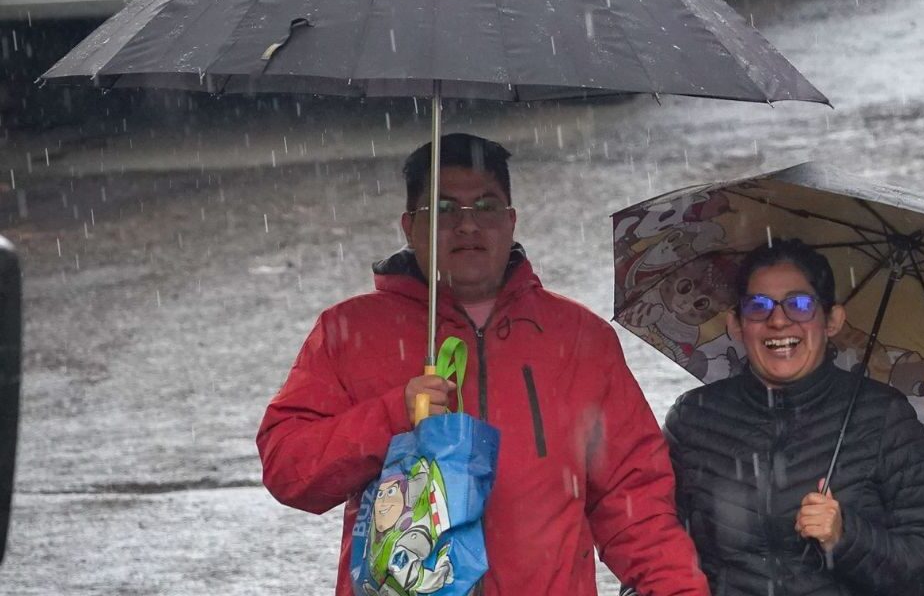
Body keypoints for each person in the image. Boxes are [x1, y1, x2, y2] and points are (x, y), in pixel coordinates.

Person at [257, 133, 708, 596]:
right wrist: (391, 416)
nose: (467, 225)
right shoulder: (348, 331)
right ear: (410, 226)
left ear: (511, 221)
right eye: (445, 209)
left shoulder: (579, 338)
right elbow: (290, 471)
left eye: (486, 207)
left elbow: (634, 503)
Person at [664, 239, 924, 596]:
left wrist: (845, 537)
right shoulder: (693, 420)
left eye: (800, 305)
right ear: (736, 324)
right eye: (758, 306)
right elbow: (651, 558)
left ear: (832, 320)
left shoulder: (883, 417)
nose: (779, 321)